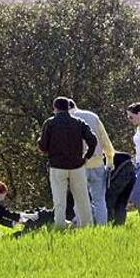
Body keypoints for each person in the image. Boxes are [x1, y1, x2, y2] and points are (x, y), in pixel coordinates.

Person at [38, 97, 97, 228]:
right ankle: (87, 226)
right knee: (82, 199)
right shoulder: (78, 122)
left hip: (57, 166)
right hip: (77, 165)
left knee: (59, 201)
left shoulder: (50, 123)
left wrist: (40, 141)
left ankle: (60, 226)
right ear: (69, 108)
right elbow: (93, 140)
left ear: (55, 109)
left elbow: (43, 146)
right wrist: (86, 156)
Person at [69, 100, 115, 225]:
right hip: (98, 164)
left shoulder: (69, 119)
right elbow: (105, 140)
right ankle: (102, 226)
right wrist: (109, 160)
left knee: (80, 200)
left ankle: (83, 226)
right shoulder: (93, 116)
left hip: (79, 166)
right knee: (99, 200)